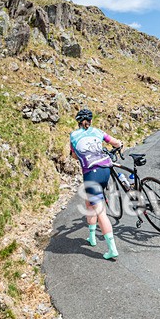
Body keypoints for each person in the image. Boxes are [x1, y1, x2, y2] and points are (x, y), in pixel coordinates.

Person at [69, 108, 123, 260]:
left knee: (100, 212)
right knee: (89, 203)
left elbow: (74, 155)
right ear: (91, 121)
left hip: (91, 174)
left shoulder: (73, 135)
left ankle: (112, 249)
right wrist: (120, 144)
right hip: (105, 169)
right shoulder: (98, 131)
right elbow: (114, 142)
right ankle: (92, 237)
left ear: (78, 122)